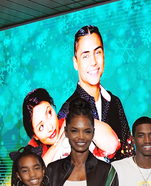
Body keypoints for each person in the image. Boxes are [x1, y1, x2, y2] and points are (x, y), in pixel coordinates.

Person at [58, 25, 135, 162]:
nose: (93, 62)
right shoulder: (67, 110)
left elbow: (129, 154)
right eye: (85, 55)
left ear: (104, 55)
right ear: (76, 62)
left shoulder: (115, 102)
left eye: (97, 52)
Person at [23, 88, 120, 165]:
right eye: (41, 127)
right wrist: (57, 145)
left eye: (49, 113)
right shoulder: (33, 150)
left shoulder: (71, 121)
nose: (50, 127)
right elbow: (34, 177)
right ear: (35, 135)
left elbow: (112, 145)